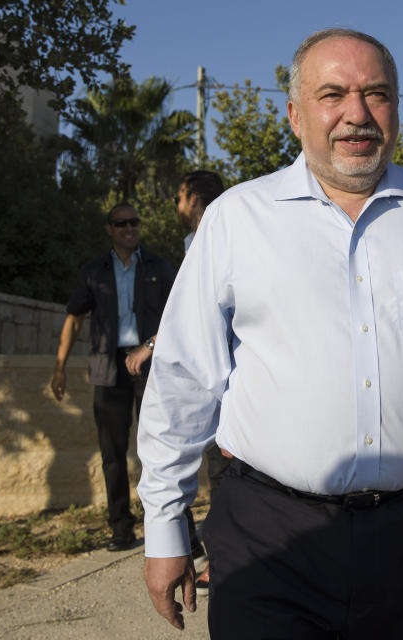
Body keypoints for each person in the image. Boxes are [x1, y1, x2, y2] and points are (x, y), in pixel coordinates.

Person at [136, 28, 403, 638]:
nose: (356, 115)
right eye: (332, 94)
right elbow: (184, 380)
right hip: (268, 538)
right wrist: (164, 524)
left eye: (377, 95)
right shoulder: (238, 219)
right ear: (294, 113)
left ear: (396, 108)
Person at [51, 203, 177, 551]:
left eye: (134, 222)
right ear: (109, 229)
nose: (128, 228)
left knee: (160, 449)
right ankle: (121, 527)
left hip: (150, 367)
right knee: (112, 452)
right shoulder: (94, 272)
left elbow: (178, 313)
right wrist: (60, 366)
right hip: (108, 371)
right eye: (121, 223)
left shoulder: (158, 267)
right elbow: (74, 319)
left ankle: (170, 528)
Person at [173, 169, 229, 595]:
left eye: (179, 197)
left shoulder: (206, 241)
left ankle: (224, 560)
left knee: (225, 475)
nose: (178, 207)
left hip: (222, 383)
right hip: (227, 378)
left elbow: (196, 322)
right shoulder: (226, 230)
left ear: (193, 198)